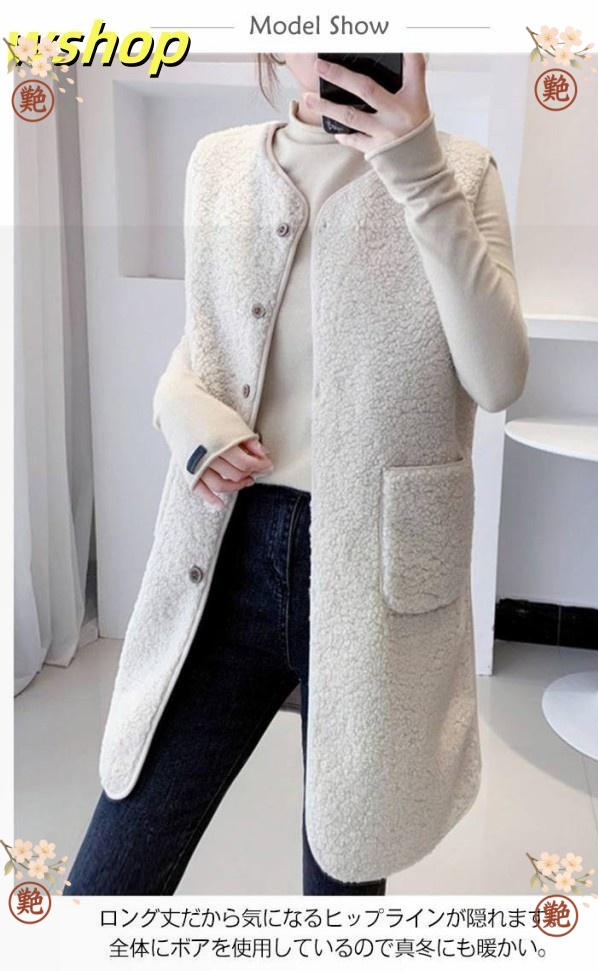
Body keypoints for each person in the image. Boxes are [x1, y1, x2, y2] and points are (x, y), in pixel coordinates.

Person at [65, 53, 529, 896]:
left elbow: (498, 379)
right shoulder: (218, 164)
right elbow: (205, 342)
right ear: (275, 44)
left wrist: (416, 168)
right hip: (225, 552)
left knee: (343, 873)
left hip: (375, 570)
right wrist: (180, 409)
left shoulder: (461, 173)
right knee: (107, 881)